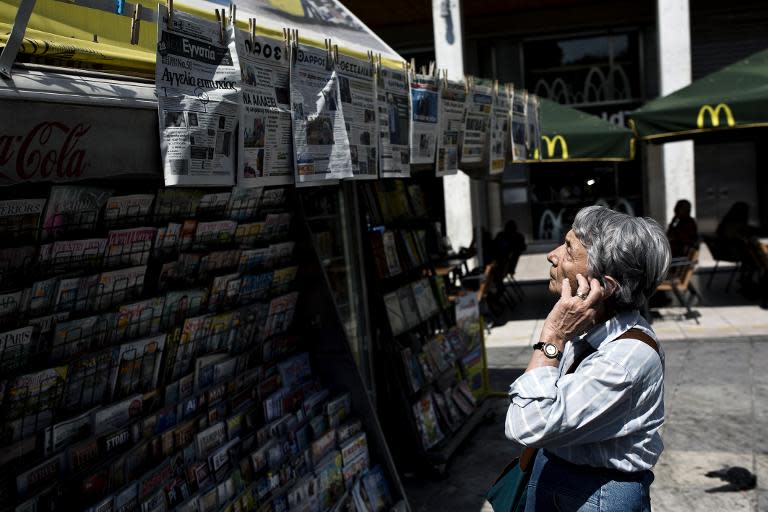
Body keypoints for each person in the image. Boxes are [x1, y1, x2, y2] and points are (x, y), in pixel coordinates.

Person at [505, 206, 671, 511]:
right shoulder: (586, 326)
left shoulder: (624, 360)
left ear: (604, 286)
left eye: (569, 250)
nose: (552, 255)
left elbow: (524, 424)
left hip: (595, 495)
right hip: (556, 475)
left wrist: (553, 335)